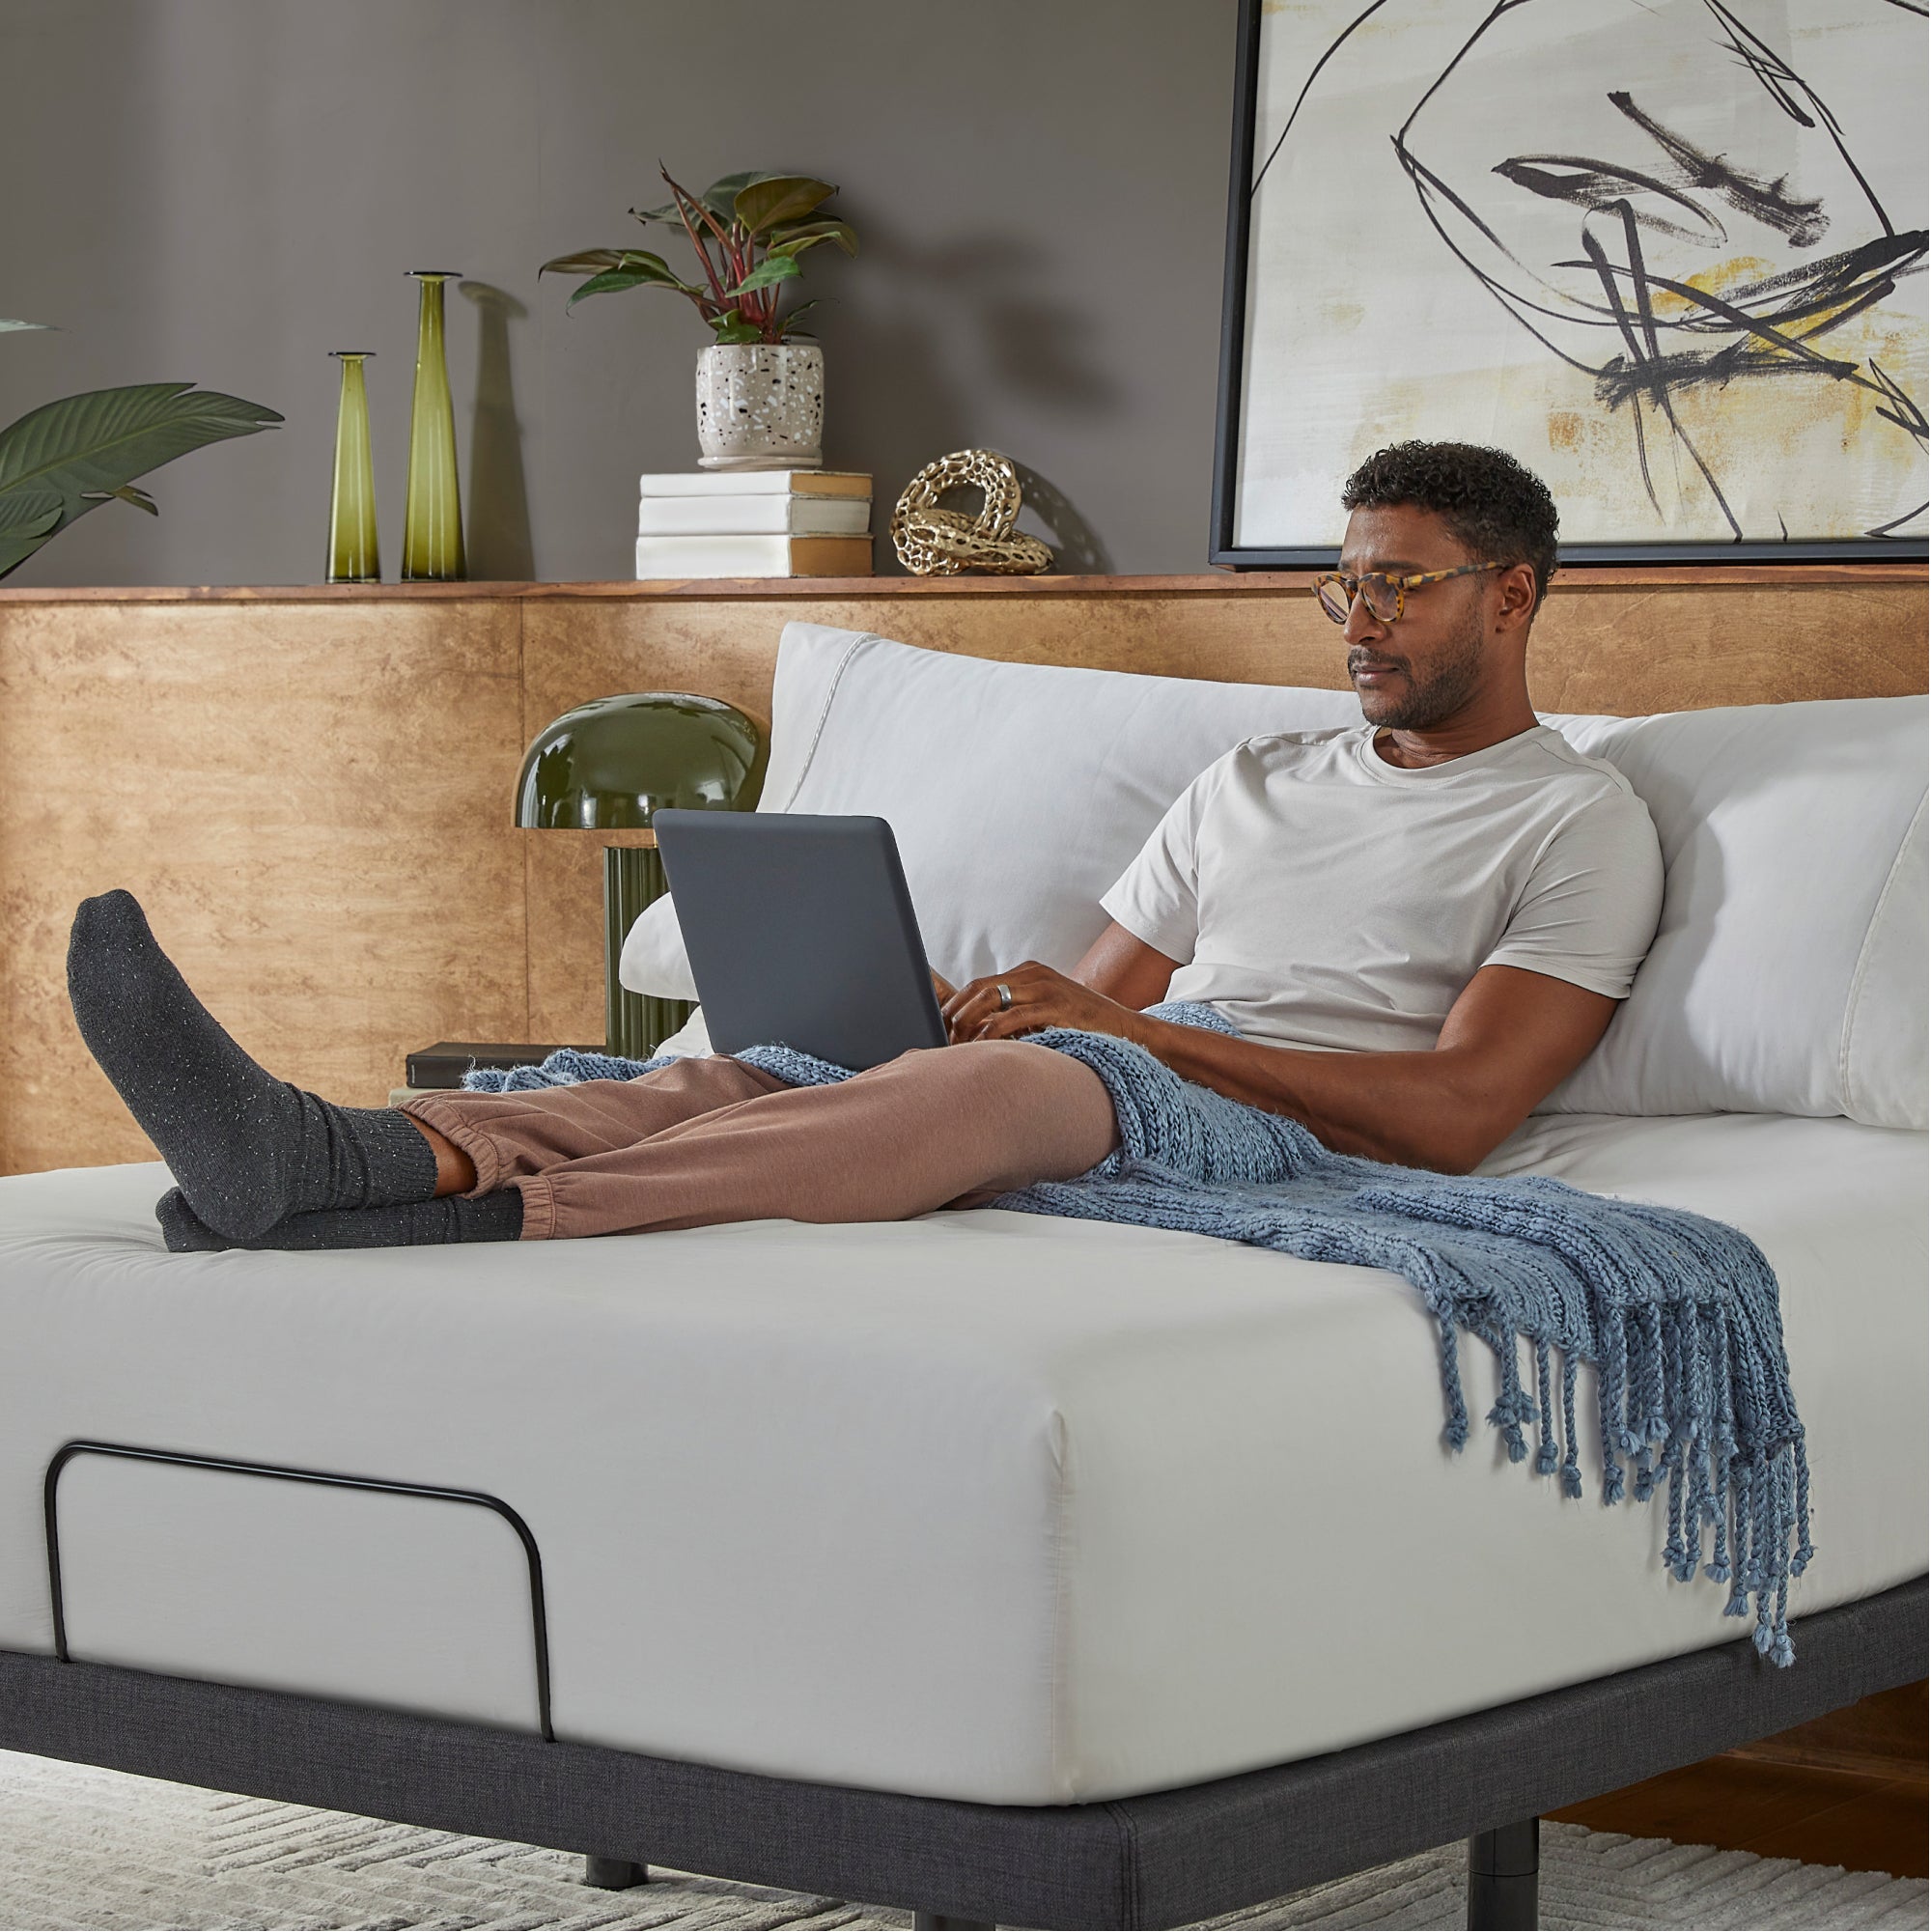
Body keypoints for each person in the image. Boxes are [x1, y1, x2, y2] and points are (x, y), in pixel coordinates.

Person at [67, 440, 1663, 1253]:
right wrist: (985, 1008)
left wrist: (1109, 1039)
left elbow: (1457, 1117)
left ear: (1512, 596)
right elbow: (1084, 1006)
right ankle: (334, 1155)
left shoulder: (1574, 814)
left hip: (1290, 1134)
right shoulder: (1258, 773)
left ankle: (481, 1219)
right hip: (1135, 1076)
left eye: (1404, 585)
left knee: (990, 1084)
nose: (1362, 619)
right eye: (1347, 584)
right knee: (765, 1066)